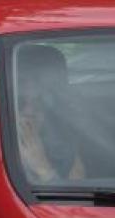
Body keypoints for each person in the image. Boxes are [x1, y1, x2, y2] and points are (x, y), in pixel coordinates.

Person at [14, 45, 86, 183]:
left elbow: (77, 202)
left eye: (38, 104)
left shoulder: (67, 146)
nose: (29, 111)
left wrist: (42, 167)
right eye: (20, 102)